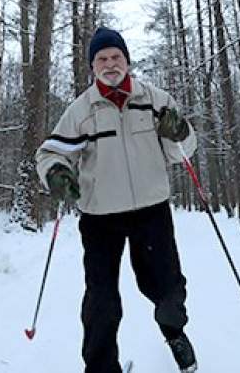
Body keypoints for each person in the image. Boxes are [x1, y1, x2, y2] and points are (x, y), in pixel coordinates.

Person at [35, 27, 199, 373]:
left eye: (116, 57)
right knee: (101, 301)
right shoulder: (82, 110)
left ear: (127, 60)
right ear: (92, 66)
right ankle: (100, 367)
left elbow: (180, 153)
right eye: (102, 59)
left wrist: (179, 131)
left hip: (151, 210)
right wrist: (57, 174)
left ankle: (175, 335)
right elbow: (51, 153)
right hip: (100, 216)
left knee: (168, 288)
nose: (110, 64)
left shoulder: (154, 99)